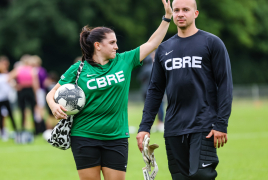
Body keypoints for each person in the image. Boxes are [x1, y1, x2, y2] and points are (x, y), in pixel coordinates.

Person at [46, 1, 172, 180]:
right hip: (84, 136)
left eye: (116, 42)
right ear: (98, 45)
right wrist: (53, 106)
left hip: (116, 137)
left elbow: (152, 43)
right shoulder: (79, 69)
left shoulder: (124, 61)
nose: (116, 46)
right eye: (112, 42)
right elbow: (51, 93)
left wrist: (167, 18)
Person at [136, 0, 233, 179]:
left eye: (185, 10)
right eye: (177, 10)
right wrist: (145, 127)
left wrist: (221, 123)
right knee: (180, 177)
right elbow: (155, 90)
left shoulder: (212, 43)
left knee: (202, 175)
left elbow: (225, 84)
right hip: (174, 127)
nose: (180, 14)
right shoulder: (164, 48)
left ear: (195, 13)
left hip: (204, 125)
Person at [9, 55, 39, 134]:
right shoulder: (32, 70)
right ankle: (35, 129)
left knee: (22, 110)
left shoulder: (18, 69)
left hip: (21, 90)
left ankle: (23, 128)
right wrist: (36, 94)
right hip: (29, 90)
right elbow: (35, 83)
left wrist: (15, 85)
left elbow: (9, 78)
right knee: (32, 110)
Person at [137, 52, 165, 132]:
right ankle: (160, 123)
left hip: (145, 91)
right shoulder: (158, 67)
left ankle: (148, 125)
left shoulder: (145, 68)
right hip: (156, 91)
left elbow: (140, 78)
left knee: (147, 108)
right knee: (159, 107)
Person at [0, 56, 18, 141]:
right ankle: (3, 132)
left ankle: (15, 131)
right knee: (1, 117)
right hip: (0, 98)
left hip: (6, 98)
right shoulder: (5, 75)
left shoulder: (7, 74)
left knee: (10, 115)